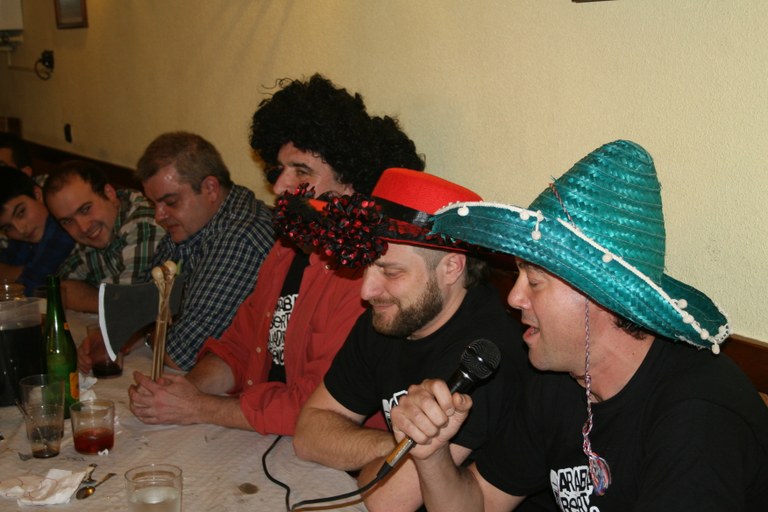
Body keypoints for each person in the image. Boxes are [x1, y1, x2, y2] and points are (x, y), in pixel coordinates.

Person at [391, 140, 768, 511]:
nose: (514, 298)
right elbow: (482, 503)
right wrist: (433, 455)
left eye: (534, 280)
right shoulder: (558, 378)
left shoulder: (698, 414)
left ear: (600, 296)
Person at [128, 74, 424, 434]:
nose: (281, 185)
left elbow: (316, 406)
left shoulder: (363, 276)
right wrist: (185, 391)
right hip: (264, 437)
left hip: (330, 448)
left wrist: (198, 407)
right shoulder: (285, 249)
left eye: (301, 171)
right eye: (280, 169)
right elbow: (238, 348)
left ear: (349, 184)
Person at [292, 168, 532, 512]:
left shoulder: (485, 355)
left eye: (391, 272)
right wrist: (394, 448)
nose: (366, 291)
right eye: (366, 266)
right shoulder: (390, 317)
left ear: (451, 268)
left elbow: (387, 499)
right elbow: (308, 432)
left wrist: (387, 458)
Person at [124, 131, 274, 371]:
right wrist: (143, 328)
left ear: (211, 189)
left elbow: (180, 353)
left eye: (170, 202)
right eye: (153, 204)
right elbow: (139, 307)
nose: (159, 216)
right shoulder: (190, 224)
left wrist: (147, 333)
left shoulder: (241, 237)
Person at [43, 160, 165, 312]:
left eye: (85, 209)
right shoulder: (100, 228)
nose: (83, 227)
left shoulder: (145, 227)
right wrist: (109, 302)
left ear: (109, 193)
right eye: (67, 221)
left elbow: (127, 307)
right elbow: (61, 287)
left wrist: (105, 301)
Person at [0, 166, 74, 296]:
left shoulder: (62, 226)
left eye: (21, 212)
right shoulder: (23, 239)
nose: (21, 229)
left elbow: (31, 288)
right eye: (8, 227)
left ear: (38, 195)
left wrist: (16, 274)